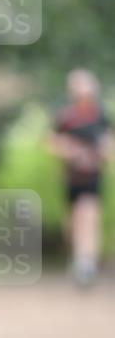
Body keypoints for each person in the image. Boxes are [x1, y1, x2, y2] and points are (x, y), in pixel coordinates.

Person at [50, 69, 113, 287]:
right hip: (70, 178)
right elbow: (52, 141)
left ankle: (86, 264)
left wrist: (102, 154)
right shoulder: (66, 116)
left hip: (92, 177)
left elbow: (108, 142)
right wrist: (71, 151)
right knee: (72, 223)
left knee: (88, 217)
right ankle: (78, 259)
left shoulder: (100, 115)